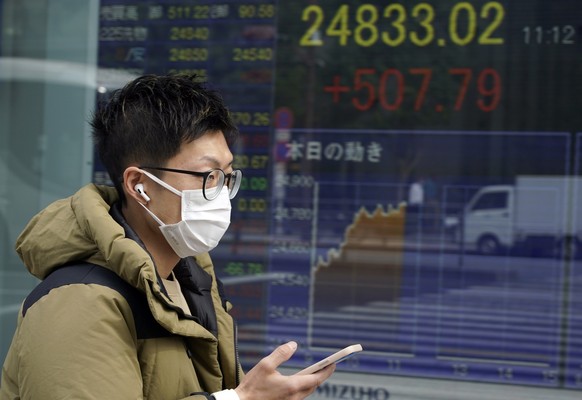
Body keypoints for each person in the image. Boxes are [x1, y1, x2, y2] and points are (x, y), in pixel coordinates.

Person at [0, 74, 335, 399]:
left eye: (227, 176)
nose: (220, 193)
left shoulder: (190, 282)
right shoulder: (78, 302)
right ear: (139, 186)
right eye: (208, 176)